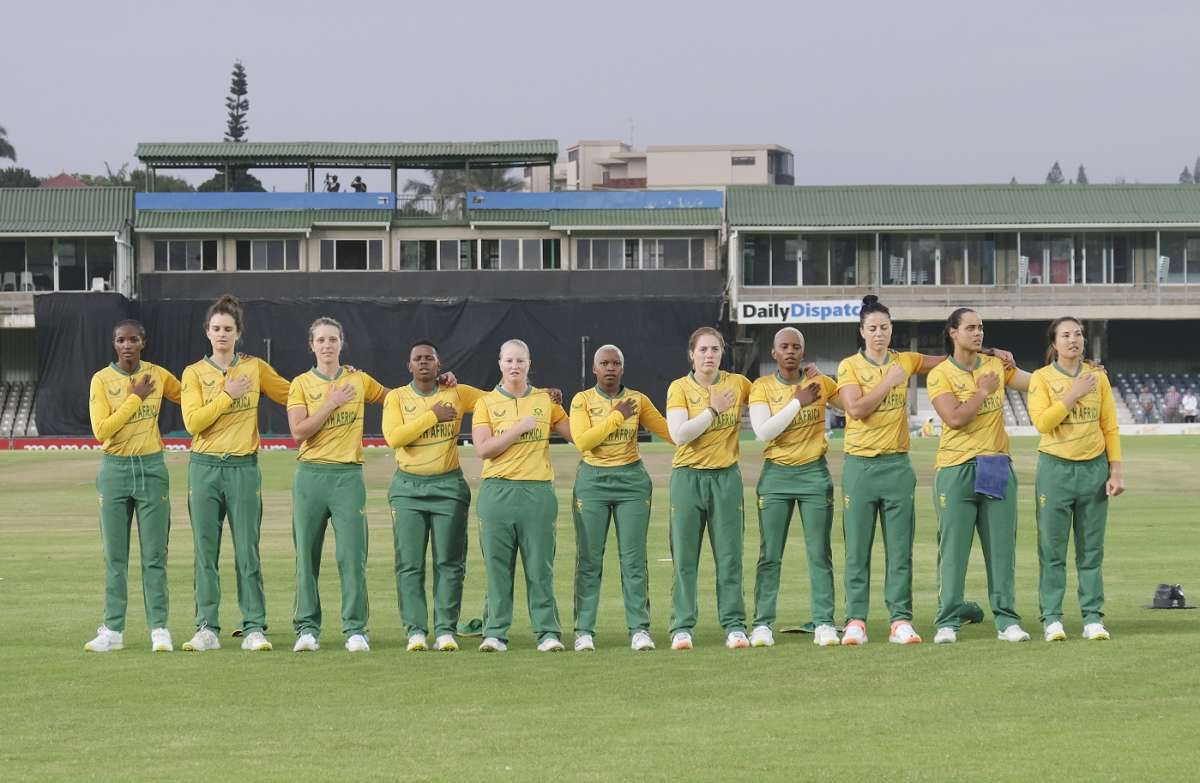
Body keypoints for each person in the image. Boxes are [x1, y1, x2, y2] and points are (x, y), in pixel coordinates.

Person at [836, 296, 1002, 645]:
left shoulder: (907, 360)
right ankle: (855, 621)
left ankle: (900, 620)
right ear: (861, 332)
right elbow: (856, 410)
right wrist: (888, 380)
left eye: (884, 327)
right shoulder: (850, 366)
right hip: (860, 466)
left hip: (897, 465)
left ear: (891, 329)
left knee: (900, 549)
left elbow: (952, 358)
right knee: (858, 550)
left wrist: (992, 352)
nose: (879, 333)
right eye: (872, 328)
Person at [179, 294, 291, 653]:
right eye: (216, 329)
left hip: (243, 467)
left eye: (228, 329)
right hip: (205, 467)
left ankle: (254, 626)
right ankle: (207, 627)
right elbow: (193, 422)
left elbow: (291, 394)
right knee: (205, 552)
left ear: (238, 333)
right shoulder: (194, 373)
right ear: (207, 333)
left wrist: (333, 382)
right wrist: (227, 394)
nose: (222, 334)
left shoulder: (254, 368)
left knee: (248, 551)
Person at [927, 307, 1034, 644]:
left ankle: (1007, 621)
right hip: (956, 467)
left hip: (995, 464)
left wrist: (1078, 374)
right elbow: (955, 418)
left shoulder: (995, 365)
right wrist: (983, 391)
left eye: (981, 328)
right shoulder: (940, 374)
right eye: (970, 328)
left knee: (1001, 549)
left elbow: (1036, 383)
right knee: (954, 550)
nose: (978, 333)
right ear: (953, 333)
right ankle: (948, 622)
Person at [286, 317, 388, 652]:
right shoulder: (301, 384)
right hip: (311, 476)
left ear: (342, 343)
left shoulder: (358, 380)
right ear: (311, 345)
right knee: (307, 556)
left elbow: (397, 399)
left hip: (348, 477)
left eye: (333, 339)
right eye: (321, 340)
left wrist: (438, 384)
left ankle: (355, 629)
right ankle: (307, 629)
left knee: (351, 556)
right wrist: (331, 402)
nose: (327, 345)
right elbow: (299, 431)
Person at [84, 319, 182, 653]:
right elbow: (102, 430)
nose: (127, 345)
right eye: (120, 340)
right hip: (114, 471)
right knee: (115, 557)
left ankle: (159, 629)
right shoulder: (101, 380)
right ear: (114, 344)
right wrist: (135, 398)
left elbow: (190, 397)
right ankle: (113, 630)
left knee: (155, 556)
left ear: (143, 343)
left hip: (152, 468)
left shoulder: (158, 375)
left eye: (133, 340)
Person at [569, 344, 672, 652]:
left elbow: (670, 432)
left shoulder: (638, 400)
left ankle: (639, 629)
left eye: (616, 363)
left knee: (633, 559)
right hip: (593, 481)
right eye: (605, 363)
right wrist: (616, 417)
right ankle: (584, 631)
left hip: (631, 482)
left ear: (623, 368)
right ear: (595, 369)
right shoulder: (582, 400)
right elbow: (584, 441)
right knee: (589, 559)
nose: (610, 368)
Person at [471, 339, 573, 652]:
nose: (515, 366)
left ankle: (547, 633)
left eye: (521, 361)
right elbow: (484, 449)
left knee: (540, 567)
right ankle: (495, 633)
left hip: (537, 492)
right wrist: (519, 428)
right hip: (497, 492)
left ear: (529, 364)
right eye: (509, 361)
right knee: (498, 568)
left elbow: (578, 437)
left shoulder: (546, 401)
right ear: (500, 364)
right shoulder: (486, 403)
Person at [382, 341, 484, 653]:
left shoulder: (456, 392)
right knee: (410, 563)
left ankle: (445, 630)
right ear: (409, 366)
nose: (424, 362)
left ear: (439, 365)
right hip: (408, 490)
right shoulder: (397, 397)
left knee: (450, 562)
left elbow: (499, 402)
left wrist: (543, 397)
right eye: (418, 359)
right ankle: (415, 631)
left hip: (448, 487)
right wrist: (432, 415)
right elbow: (394, 438)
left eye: (429, 358)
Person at [1027, 317, 1124, 642]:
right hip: (1055, 470)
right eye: (1066, 335)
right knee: (1052, 550)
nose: (1074, 340)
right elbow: (1043, 423)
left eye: (1079, 334)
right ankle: (1052, 618)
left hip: (1093, 470)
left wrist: (1116, 470)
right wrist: (1072, 394)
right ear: (1054, 343)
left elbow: (1109, 425)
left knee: (1091, 550)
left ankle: (1093, 618)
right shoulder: (1042, 378)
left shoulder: (1099, 378)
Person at [747, 327, 839, 648]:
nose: (789, 351)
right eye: (783, 346)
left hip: (814, 474)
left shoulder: (820, 383)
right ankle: (762, 624)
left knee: (819, 553)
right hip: (776, 477)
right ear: (773, 353)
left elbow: (853, 406)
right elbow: (763, 431)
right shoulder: (762, 387)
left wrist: (828, 380)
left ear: (803, 352)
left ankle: (825, 622)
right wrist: (798, 402)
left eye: (795, 346)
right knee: (770, 554)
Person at [665, 326, 752, 651]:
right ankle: (682, 626)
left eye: (715, 349)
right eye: (702, 350)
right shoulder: (679, 388)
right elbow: (679, 434)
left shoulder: (737, 384)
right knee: (685, 557)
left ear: (722, 353)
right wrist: (712, 409)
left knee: (729, 556)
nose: (709, 356)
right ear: (691, 354)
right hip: (688, 478)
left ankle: (734, 624)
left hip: (726, 478)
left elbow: (772, 395)